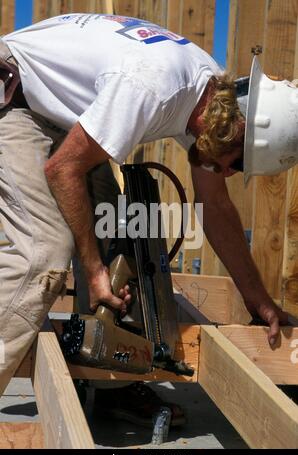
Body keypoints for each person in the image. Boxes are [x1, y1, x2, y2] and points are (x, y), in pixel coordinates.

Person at [0, 13, 294, 428]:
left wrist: (257, 300)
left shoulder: (214, 100)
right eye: (237, 163)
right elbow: (62, 171)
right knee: (44, 253)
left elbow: (218, 212)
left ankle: (111, 385)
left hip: (66, 113)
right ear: (234, 130)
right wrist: (93, 269)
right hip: (16, 93)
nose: (229, 174)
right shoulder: (151, 87)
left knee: (117, 231)